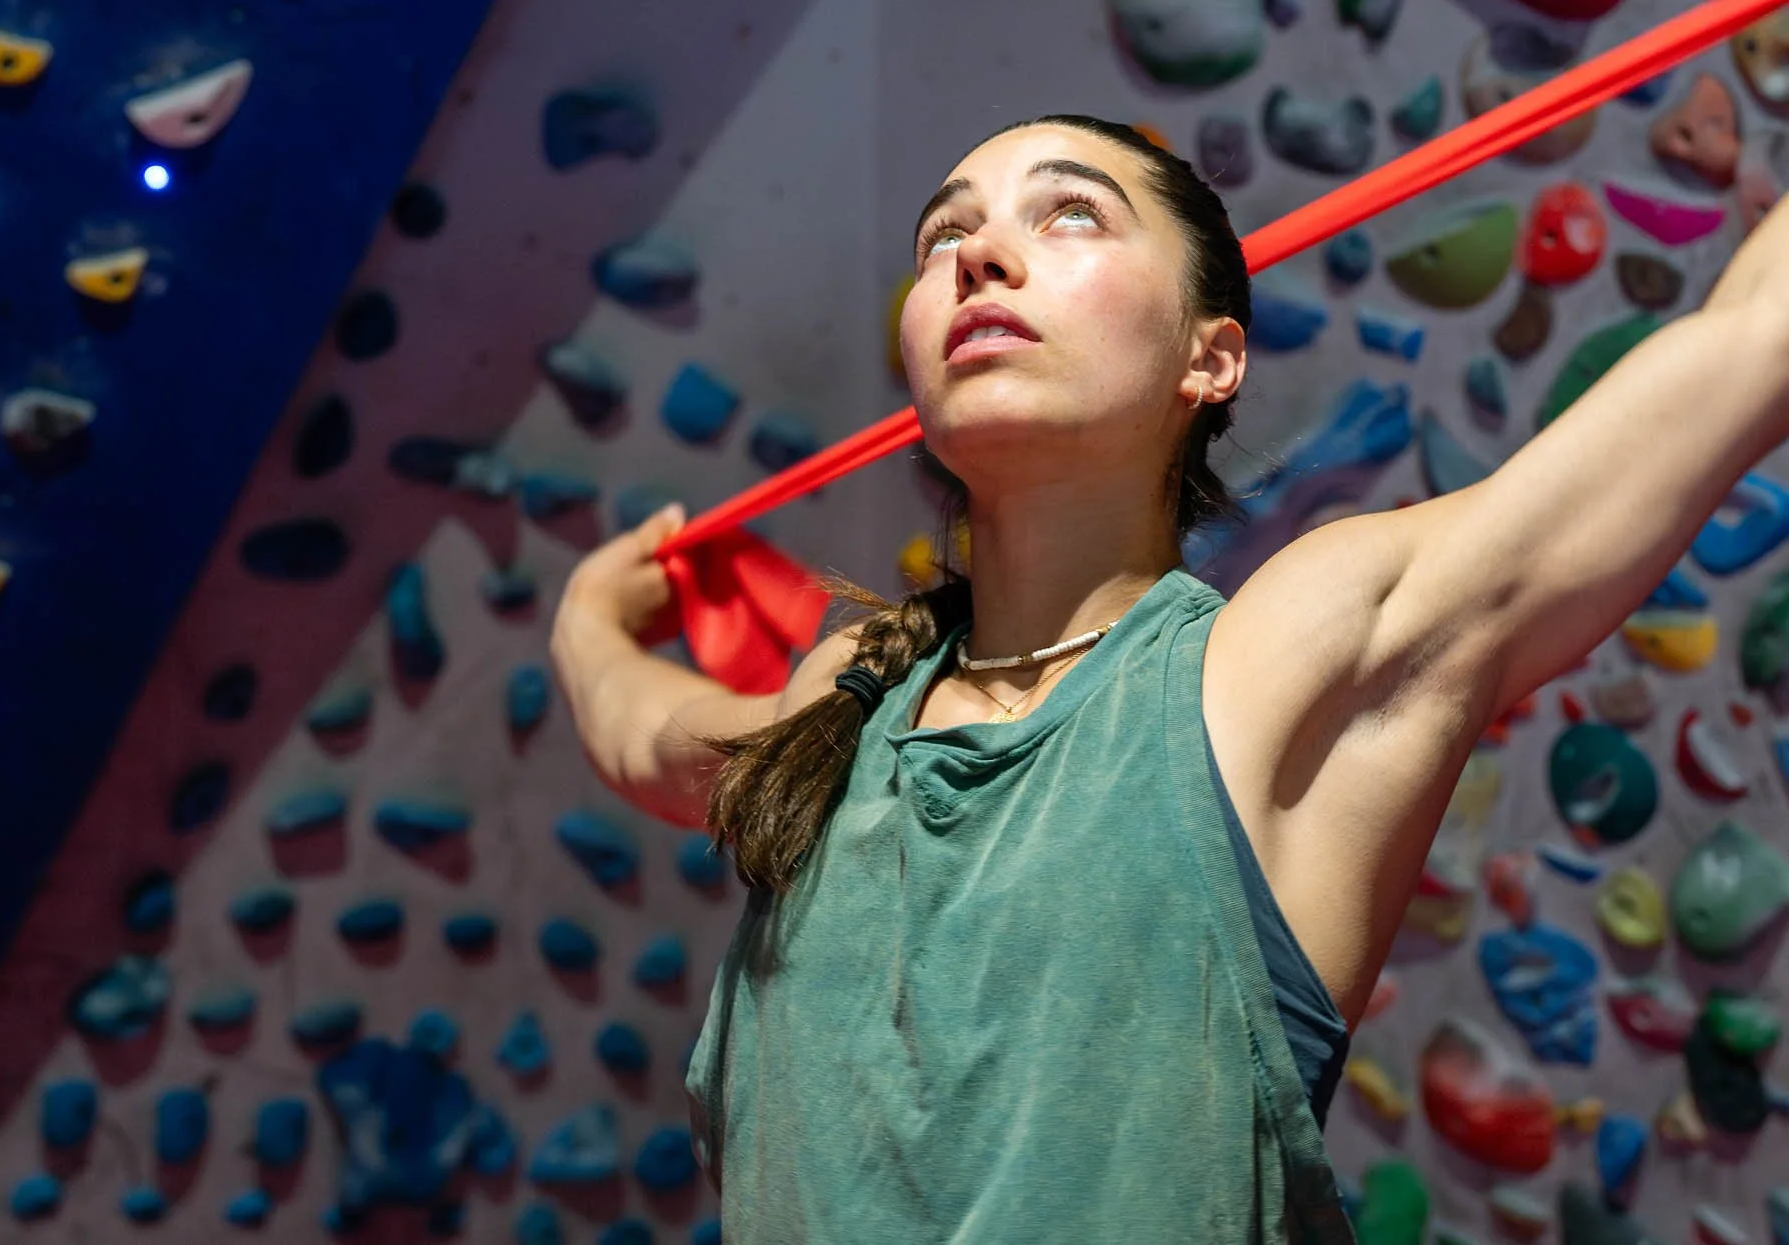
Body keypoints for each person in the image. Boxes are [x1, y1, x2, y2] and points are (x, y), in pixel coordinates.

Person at [550, 112, 1789, 1242]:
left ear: (1213, 358)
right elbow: (640, 728)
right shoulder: (852, 692)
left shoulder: (1276, 668)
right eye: (945, 235)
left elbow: (1743, 345)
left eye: (1069, 211)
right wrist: (591, 612)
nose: (976, 255)